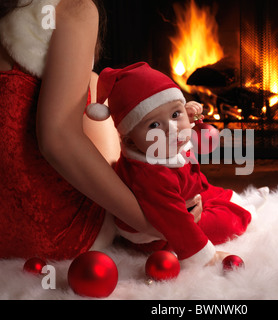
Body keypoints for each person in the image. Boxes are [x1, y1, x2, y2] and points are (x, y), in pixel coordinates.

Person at [0, 0, 185, 260]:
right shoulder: (72, 8)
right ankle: (142, 198)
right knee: (93, 86)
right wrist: (147, 222)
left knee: (90, 81)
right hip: (46, 232)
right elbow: (57, 139)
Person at [85, 62, 258, 267]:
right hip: (157, 234)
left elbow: (187, 166)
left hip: (184, 194)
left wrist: (185, 111)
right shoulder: (152, 176)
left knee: (210, 191)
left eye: (176, 114)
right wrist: (204, 256)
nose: (173, 129)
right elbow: (177, 224)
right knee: (226, 223)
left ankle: (232, 199)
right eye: (154, 125)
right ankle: (244, 211)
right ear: (130, 141)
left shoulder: (162, 147)